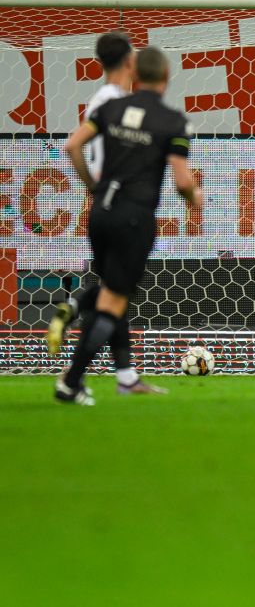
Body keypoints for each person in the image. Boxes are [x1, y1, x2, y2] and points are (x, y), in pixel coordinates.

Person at [58, 46, 203, 405]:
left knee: (109, 291)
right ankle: (71, 382)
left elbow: (72, 145)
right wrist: (195, 199)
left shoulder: (110, 108)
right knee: (113, 303)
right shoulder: (173, 121)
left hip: (100, 213)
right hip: (134, 217)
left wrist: (93, 186)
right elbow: (182, 180)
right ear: (167, 76)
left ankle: (112, 369)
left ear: (135, 74)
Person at [46, 32, 135, 362]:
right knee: (115, 292)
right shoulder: (117, 103)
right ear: (128, 60)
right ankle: (76, 369)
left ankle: (125, 373)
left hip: (100, 204)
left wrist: (91, 187)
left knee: (115, 288)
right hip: (120, 203)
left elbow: (75, 146)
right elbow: (74, 145)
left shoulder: (99, 101)